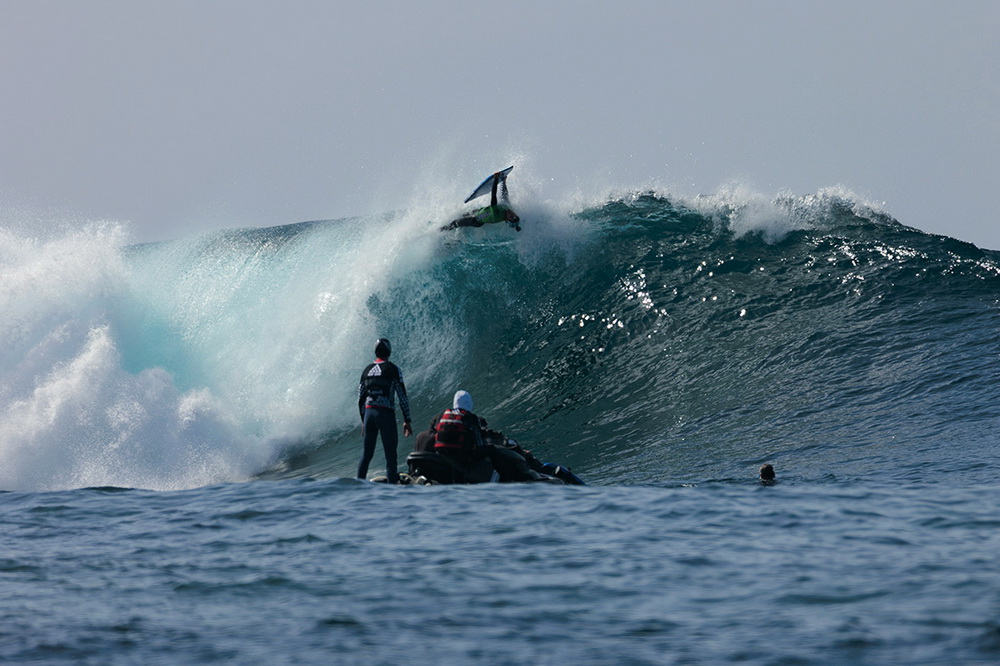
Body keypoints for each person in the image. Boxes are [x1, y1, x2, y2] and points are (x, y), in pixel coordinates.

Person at [357, 338, 413, 484]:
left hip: (369, 414)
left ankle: (357, 487)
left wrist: (364, 420)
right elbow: (402, 396)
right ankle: (392, 491)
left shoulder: (366, 370)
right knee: (390, 456)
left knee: (366, 454)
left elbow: (361, 398)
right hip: (385, 414)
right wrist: (407, 420)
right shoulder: (393, 369)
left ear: (376, 351)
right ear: (389, 351)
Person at [442, 171, 521, 232]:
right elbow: (504, 195)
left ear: (506, 219)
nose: (512, 213)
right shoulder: (508, 208)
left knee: (455, 223)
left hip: (475, 220)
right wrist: (504, 181)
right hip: (478, 212)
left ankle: (440, 231)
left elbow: (493, 196)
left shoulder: (496, 214)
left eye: (511, 216)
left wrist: (496, 179)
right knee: (461, 215)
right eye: (514, 214)